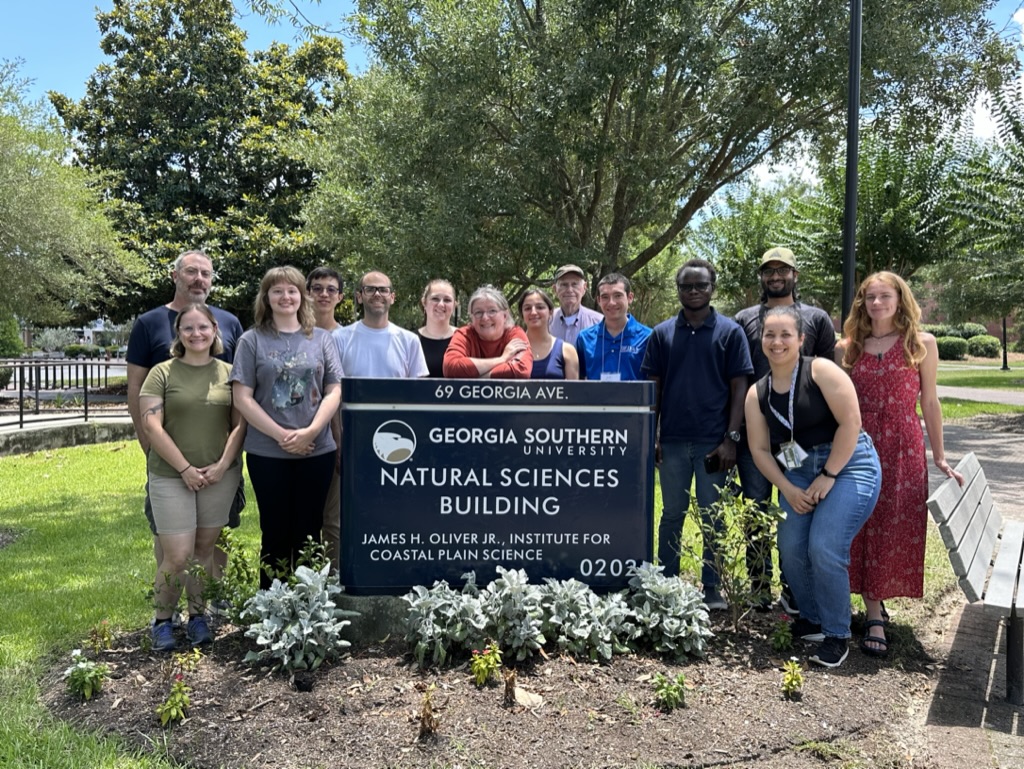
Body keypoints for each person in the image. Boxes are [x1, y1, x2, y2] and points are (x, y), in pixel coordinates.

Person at [745, 304, 882, 668]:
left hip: (848, 463)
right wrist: (787, 489)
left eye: (785, 334)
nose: (777, 342)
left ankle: (837, 634)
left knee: (824, 546)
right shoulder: (757, 393)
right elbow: (760, 450)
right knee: (790, 547)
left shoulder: (820, 370)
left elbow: (851, 422)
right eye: (770, 335)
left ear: (801, 339)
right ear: (761, 340)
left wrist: (830, 474)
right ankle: (813, 618)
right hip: (798, 471)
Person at [839, 271, 964, 658]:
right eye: (870, 297)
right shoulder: (848, 347)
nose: (877, 303)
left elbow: (930, 402)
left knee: (893, 522)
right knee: (861, 522)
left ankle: (876, 599)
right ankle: (873, 614)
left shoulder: (921, 344)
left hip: (903, 444)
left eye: (885, 296)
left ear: (900, 299)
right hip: (860, 444)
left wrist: (939, 456)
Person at [126, 249, 244, 586]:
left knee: (215, 537)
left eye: (206, 274)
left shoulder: (230, 323)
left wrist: (226, 460)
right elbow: (135, 389)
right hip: (169, 455)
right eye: (191, 272)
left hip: (219, 460)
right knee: (172, 541)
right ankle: (170, 605)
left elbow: (238, 394)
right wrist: (149, 445)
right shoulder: (149, 323)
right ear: (175, 276)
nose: (199, 279)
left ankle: (211, 603)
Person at [641, 259, 752, 609]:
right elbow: (654, 388)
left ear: (712, 288)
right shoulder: (661, 334)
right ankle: (667, 584)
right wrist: (652, 435)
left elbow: (739, 387)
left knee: (712, 517)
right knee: (672, 514)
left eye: (700, 285)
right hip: (672, 441)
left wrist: (731, 439)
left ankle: (713, 588)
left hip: (713, 443)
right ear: (678, 290)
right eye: (686, 286)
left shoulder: (730, 332)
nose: (693, 291)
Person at [733, 247, 836, 613]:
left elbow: (828, 375)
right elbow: (737, 376)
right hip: (757, 436)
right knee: (756, 509)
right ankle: (759, 586)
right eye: (769, 271)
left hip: (800, 439)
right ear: (762, 277)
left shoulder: (817, 319)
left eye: (783, 270)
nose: (775, 276)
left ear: (795, 274)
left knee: (797, 509)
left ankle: (795, 586)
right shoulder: (744, 319)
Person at [138, 303, 246, 651]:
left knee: (203, 550)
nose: (196, 334)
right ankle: (162, 622)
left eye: (203, 327)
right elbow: (151, 425)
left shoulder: (231, 373)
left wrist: (223, 465)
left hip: (219, 476)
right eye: (188, 328)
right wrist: (184, 468)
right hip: (171, 475)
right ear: (179, 334)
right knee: (178, 555)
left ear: (215, 330)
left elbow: (240, 425)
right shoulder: (162, 373)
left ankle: (198, 616)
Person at [230, 266, 343, 589]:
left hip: (316, 450)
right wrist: (282, 436)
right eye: (277, 291)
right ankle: (272, 604)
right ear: (266, 297)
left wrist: (310, 432)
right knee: (275, 532)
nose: (285, 297)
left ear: (302, 297)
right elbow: (242, 398)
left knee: (309, 532)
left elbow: (334, 390)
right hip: (268, 453)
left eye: (292, 290)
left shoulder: (321, 339)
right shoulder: (251, 340)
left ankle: (310, 602)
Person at [306, 266, 345, 572]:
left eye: (331, 289)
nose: (323, 294)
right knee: (303, 517)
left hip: (338, 435)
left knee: (333, 519)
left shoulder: (347, 338)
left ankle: (333, 581)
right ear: (307, 293)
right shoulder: (295, 335)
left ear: (340, 297)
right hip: (299, 437)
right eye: (317, 288)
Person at [334, 271, 429, 378]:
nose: (377, 294)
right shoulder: (339, 339)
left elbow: (419, 387)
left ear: (392, 297)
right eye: (370, 289)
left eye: (383, 290)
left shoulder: (410, 341)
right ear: (359, 297)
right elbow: (332, 385)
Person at [443, 285, 533, 378]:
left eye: (492, 311)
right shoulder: (464, 334)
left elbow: (521, 370)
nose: (485, 318)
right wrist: (501, 359)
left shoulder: (515, 334)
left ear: (505, 315)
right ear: (472, 317)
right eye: (478, 312)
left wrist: (479, 379)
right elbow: (450, 367)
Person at [575, 273, 651, 381]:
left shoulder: (648, 337)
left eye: (618, 295)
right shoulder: (584, 338)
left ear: (630, 297)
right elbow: (579, 379)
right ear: (599, 300)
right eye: (605, 297)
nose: (611, 302)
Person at [518, 288, 580, 380]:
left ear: (550, 312)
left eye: (540, 307)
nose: (533, 312)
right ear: (522, 314)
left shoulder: (567, 351)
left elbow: (574, 389)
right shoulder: (512, 349)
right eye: (527, 308)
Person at [549, 264, 603, 344]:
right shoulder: (545, 321)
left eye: (575, 284)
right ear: (555, 289)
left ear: (584, 288)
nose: (569, 290)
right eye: (564, 285)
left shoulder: (598, 322)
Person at [416, 279, 458, 377]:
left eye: (447, 300)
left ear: (454, 305)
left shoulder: (465, 338)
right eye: (435, 299)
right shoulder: (410, 340)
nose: (441, 304)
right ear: (424, 302)